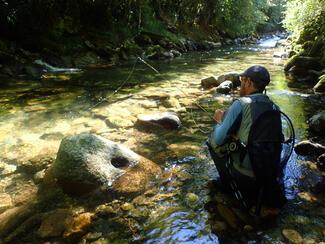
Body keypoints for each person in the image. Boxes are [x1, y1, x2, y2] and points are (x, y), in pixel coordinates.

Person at [207, 65, 287, 212]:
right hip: (270, 172)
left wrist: (219, 121)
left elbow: (218, 140)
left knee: (212, 141)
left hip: (247, 176)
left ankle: (228, 184)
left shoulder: (241, 103)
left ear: (249, 82)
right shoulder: (275, 107)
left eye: (241, 80)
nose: (240, 84)